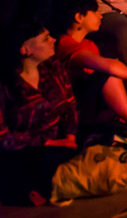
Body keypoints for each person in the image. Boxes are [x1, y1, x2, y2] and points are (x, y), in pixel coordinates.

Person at [0, 22, 79, 206]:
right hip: (27, 147)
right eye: (45, 39)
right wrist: (53, 143)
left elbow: (70, 106)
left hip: (61, 138)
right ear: (25, 50)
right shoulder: (7, 85)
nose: (53, 40)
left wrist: (70, 136)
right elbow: (3, 137)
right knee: (34, 165)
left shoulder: (53, 67)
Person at [56, 0, 127, 127]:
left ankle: (123, 117)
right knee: (107, 75)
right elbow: (109, 66)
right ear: (79, 17)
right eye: (95, 12)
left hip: (93, 98)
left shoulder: (89, 44)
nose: (100, 16)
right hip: (76, 101)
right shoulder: (65, 44)